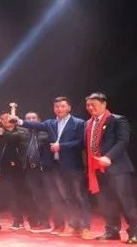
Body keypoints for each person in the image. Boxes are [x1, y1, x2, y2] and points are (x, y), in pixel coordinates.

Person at [15, 96, 90, 237]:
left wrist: (62, 146)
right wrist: (18, 121)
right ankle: (73, 225)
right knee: (66, 197)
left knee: (79, 196)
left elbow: (81, 142)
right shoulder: (50, 123)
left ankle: (85, 227)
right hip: (56, 166)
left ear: (69, 107)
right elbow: (35, 125)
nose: (59, 109)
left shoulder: (79, 123)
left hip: (73, 166)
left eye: (62, 106)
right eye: (57, 107)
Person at [84, 92, 137, 244]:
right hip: (97, 169)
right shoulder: (87, 124)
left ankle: (135, 232)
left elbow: (123, 141)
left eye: (93, 104)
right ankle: (112, 230)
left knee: (125, 201)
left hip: (117, 168)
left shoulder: (117, 120)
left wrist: (109, 157)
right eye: (88, 105)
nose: (90, 107)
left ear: (104, 104)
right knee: (105, 202)